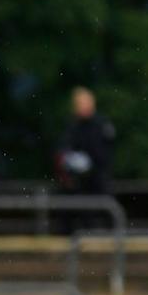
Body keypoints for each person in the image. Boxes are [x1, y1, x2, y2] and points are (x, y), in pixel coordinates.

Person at [56, 87, 115, 231]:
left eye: (85, 102)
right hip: (78, 181)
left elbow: (105, 154)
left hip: (97, 178)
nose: (83, 106)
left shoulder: (101, 124)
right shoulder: (72, 125)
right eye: (79, 103)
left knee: (105, 210)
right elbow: (63, 149)